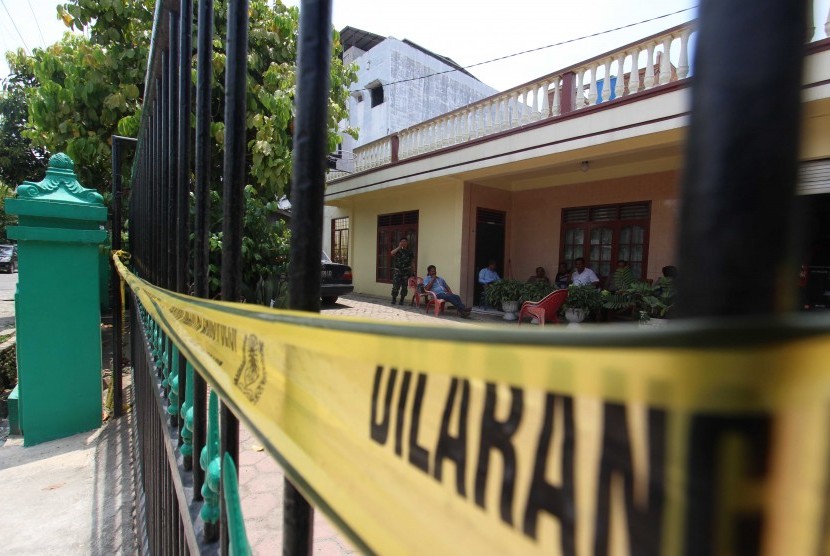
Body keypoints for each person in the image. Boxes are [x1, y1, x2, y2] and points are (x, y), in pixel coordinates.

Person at [389, 238, 414, 305]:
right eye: (402, 241)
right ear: (400, 242)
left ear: (407, 243)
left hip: (406, 272)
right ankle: (394, 299)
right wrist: (399, 247)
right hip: (398, 271)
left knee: (404, 287)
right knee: (395, 287)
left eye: (405, 241)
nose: (404, 243)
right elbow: (391, 253)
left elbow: (412, 262)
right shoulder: (397, 250)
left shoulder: (410, 252)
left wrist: (413, 271)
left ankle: (401, 300)